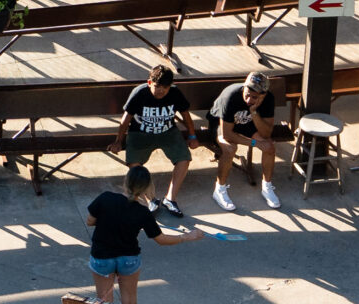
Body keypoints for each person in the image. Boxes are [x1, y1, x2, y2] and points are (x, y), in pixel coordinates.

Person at [86, 166, 203, 304]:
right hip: (128, 258)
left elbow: (90, 221)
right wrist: (186, 236)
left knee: (103, 299)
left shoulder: (105, 198)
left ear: (126, 180)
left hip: (102, 256)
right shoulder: (143, 213)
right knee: (129, 298)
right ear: (146, 187)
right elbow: (161, 239)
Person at [108, 65, 199, 218]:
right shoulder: (139, 93)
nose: (161, 91)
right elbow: (125, 120)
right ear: (150, 83)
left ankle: (170, 199)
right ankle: (152, 200)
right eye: (157, 86)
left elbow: (186, 115)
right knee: (134, 165)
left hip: (168, 132)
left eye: (165, 87)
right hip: (140, 134)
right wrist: (118, 141)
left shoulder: (175, 93)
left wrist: (192, 136)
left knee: (184, 158)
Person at [208, 72, 280, 210]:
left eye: (254, 97)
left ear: (263, 95)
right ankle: (219, 189)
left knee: (269, 147)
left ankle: (267, 186)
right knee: (230, 148)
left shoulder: (268, 99)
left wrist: (253, 112)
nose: (248, 100)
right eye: (247, 94)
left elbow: (266, 133)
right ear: (244, 87)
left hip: (246, 121)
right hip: (220, 122)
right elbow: (228, 134)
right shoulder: (231, 96)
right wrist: (255, 143)